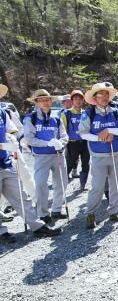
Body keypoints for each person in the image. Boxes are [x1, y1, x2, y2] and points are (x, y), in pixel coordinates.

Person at [0, 85, 61, 242]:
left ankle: (37, 226)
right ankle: (2, 232)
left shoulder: (2, 112)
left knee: (21, 196)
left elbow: (13, 130)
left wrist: (11, 138)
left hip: (6, 161)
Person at [78, 82, 118, 229]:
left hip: (116, 153)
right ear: (95, 98)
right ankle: (91, 213)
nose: (104, 97)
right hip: (98, 156)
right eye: (101, 95)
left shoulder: (116, 112)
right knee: (97, 186)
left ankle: (114, 210)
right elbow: (83, 133)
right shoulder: (88, 114)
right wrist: (99, 137)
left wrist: (110, 131)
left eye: (106, 94)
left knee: (117, 184)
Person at [23, 89, 69, 225]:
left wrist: (61, 143)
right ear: (37, 103)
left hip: (58, 155)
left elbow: (65, 136)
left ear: (51, 101)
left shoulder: (56, 118)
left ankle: (56, 209)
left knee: (61, 183)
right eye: (41, 100)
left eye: (47, 99)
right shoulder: (31, 118)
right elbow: (29, 138)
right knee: (41, 184)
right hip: (41, 156)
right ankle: (42, 213)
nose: (45, 102)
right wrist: (47, 143)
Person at [59, 90, 90, 191]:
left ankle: (82, 185)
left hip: (85, 142)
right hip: (72, 143)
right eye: (75, 99)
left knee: (86, 164)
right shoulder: (66, 114)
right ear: (72, 101)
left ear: (83, 101)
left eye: (80, 99)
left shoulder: (86, 113)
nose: (78, 101)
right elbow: (62, 130)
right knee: (69, 164)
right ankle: (61, 186)